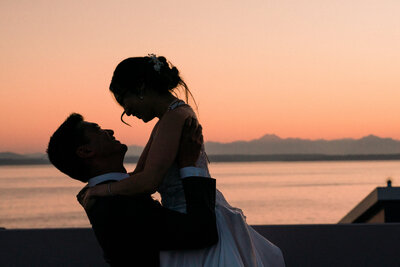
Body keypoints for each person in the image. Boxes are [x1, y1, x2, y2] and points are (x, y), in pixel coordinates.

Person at [85, 55, 285, 266]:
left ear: (141, 88)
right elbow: (139, 174)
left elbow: (148, 182)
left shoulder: (174, 118)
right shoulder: (167, 119)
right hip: (185, 220)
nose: (127, 111)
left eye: (123, 100)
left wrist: (100, 191)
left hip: (193, 220)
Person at [46, 113, 218, 266]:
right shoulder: (116, 204)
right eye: (97, 129)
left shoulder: (111, 192)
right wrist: (190, 166)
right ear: (86, 151)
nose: (110, 131)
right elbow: (203, 233)